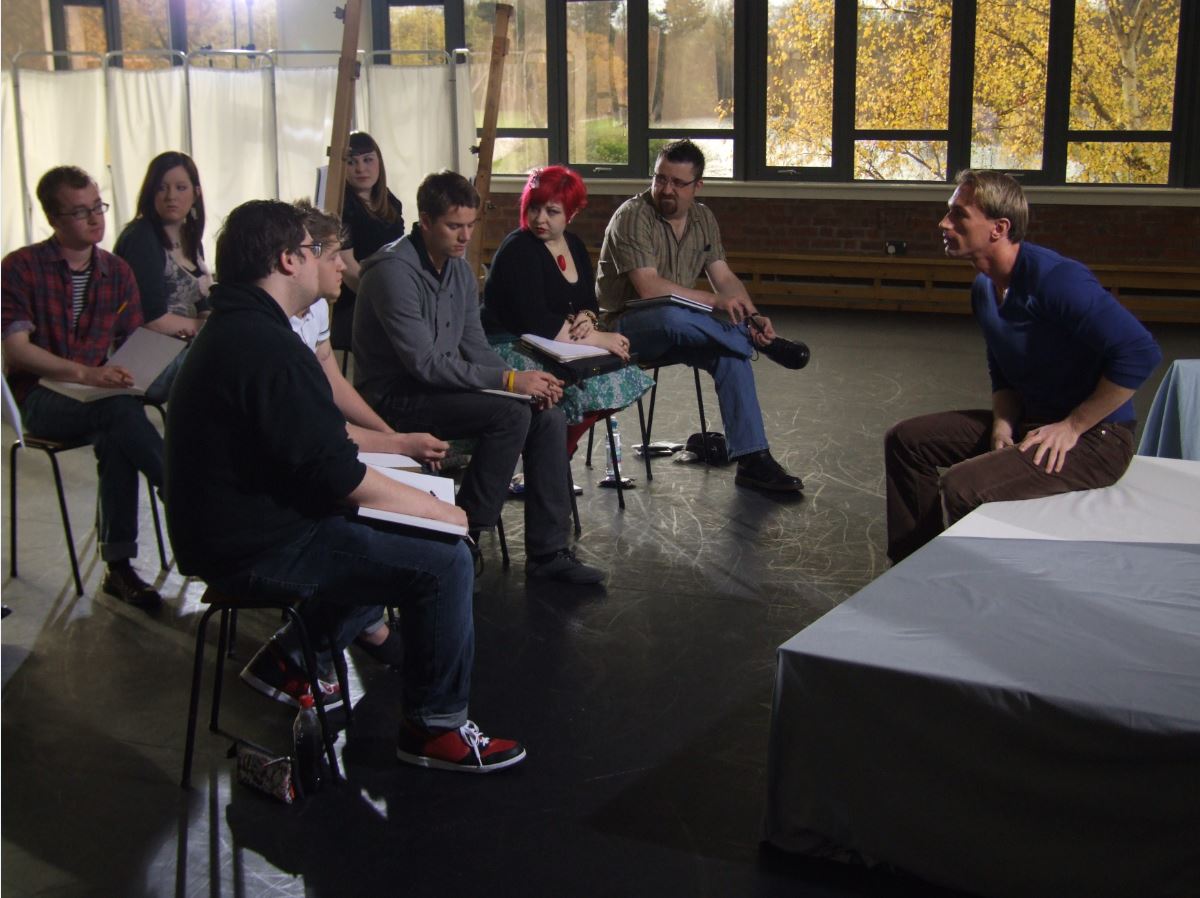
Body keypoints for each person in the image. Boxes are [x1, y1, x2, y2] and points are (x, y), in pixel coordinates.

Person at [164, 199, 525, 772]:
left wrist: (404, 480)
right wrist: (442, 513)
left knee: (395, 531)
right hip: (249, 544)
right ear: (288, 260)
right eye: (319, 251)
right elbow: (335, 472)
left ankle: (293, 657)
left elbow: (319, 449)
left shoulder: (245, 330)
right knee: (445, 559)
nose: (335, 262)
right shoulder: (264, 346)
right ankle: (435, 728)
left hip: (244, 527)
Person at [884, 170, 1163, 564]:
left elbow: (1140, 351)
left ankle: (969, 584)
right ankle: (914, 566)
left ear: (999, 228)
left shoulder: (1058, 280)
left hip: (1096, 440)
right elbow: (1001, 366)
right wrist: (1003, 421)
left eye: (959, 215)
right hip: (1033, 421)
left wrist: (1073, 426)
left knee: (962, 485)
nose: (944, 224)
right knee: (906, 441)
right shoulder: (984, 287)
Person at [353, 170, 605, 585]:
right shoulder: (392, 271)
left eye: (470, 225)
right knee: (511, 414)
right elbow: (424, 364)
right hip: (395, 397)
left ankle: (548, 552)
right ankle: (463, 533)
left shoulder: (457, 268)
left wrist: (523, 382)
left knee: (547, 415)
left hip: (443, 391)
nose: (465, 236)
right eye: (455, 226)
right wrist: (510, 384)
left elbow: (475, 345)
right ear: (426, 221)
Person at [286, 199, 449, 671]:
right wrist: (395, 443)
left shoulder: (317, 308)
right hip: (304, 458)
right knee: (381, 518)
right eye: (333, 254)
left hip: (325, 438)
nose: (344, 264)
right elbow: (316, 427)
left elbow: (332, 381)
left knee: (407, 487)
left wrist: (388, 433)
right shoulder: (276, 328)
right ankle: (331, 635)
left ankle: (362, 620)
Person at [596, 139, 809, 493]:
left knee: (730, 356)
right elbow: (649, 289)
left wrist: (754, 316)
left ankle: (753, 459)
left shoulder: (703, 218)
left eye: (678, 183)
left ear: (697, 186)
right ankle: (753, 342)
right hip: (625, 331)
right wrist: (715, 303)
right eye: (660, 178)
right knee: (671, 315)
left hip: (684, 327)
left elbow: (723, 278)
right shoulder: (632, 215)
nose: (666, 189)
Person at [1, 166, 165, 607]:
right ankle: (181, 494)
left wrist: (136, 368)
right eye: (80, 212)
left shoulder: (116, 270)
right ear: (53, 219)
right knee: (118, 414)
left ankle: (119, 567)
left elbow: (131, 341)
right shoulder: (20, 267)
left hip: (99, 399)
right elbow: (16, 350)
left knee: (118, 426)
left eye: (98, 207)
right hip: (40, 396)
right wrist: (87, 374)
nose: (95, 219)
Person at [482, 165, 654, 455]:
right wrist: (598, 338)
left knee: (621, 375)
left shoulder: (573, 244)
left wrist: (587, 317)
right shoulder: (518, 248)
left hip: (554, 342)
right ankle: (552, 453)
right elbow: (536, 321)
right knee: (574, 388)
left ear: (571, 214)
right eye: (534, 208)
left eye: (552, 211)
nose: (540, 219)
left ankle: (557, 450)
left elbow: (588, 300)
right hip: (508, 343)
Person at [114, 151, 211, 401]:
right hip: (145, 359)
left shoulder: (191, 239)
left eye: (181, 188)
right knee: (226, 356)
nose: (171, 196)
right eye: (161, 188)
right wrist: (208, 329)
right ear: (150, 193)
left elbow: (202, 303)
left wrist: (211, 321)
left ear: (196, 194)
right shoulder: (141, 238)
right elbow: (152, 319)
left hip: (182, 346)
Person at [329, 131, 407, 356]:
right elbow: (347, 266)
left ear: (379, 162)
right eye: (352, 162)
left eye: (368, 160)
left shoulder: (390, 202)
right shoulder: (342, 207)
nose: (361, 169)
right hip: (354, 301)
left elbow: (400, 252)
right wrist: (383, 298)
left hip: (387, 290)